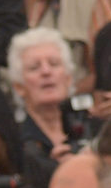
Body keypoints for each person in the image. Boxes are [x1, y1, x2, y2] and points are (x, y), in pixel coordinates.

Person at [7, 27, 86, 161]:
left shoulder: (91, 127)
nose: (46, 72)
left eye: (54, 64)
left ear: (69, 78)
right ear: (19, 86)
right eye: (34, 67)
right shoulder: (13, 142)